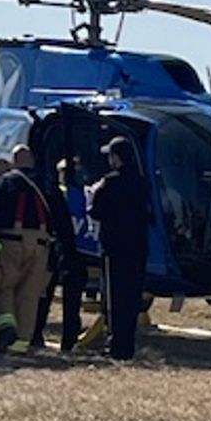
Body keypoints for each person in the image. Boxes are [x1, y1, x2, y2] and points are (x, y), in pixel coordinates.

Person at [88, 136, 149, 360]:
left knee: (114, 297)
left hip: (115, 247)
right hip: (138, 246)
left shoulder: (110, 182)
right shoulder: (142, 182)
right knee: (132, 296)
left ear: (116, 157)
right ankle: (128, 344)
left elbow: (96, 211)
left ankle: (116, 346)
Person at [0, 145, 54, 355]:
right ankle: (21, 344)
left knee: (3, 288)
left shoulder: (4, 183)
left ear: (15, 161)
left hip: (11, 242)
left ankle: (7, 331)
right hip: (41, 245)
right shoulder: (47, 184)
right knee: (29, 295)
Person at [32, 158, 85, 352]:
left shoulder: (53, 193)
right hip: (66, 249)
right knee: (53, 297)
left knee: (48, 296)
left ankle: (43, 335)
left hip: (64, 250)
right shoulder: (75, 194)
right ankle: (63, 340)